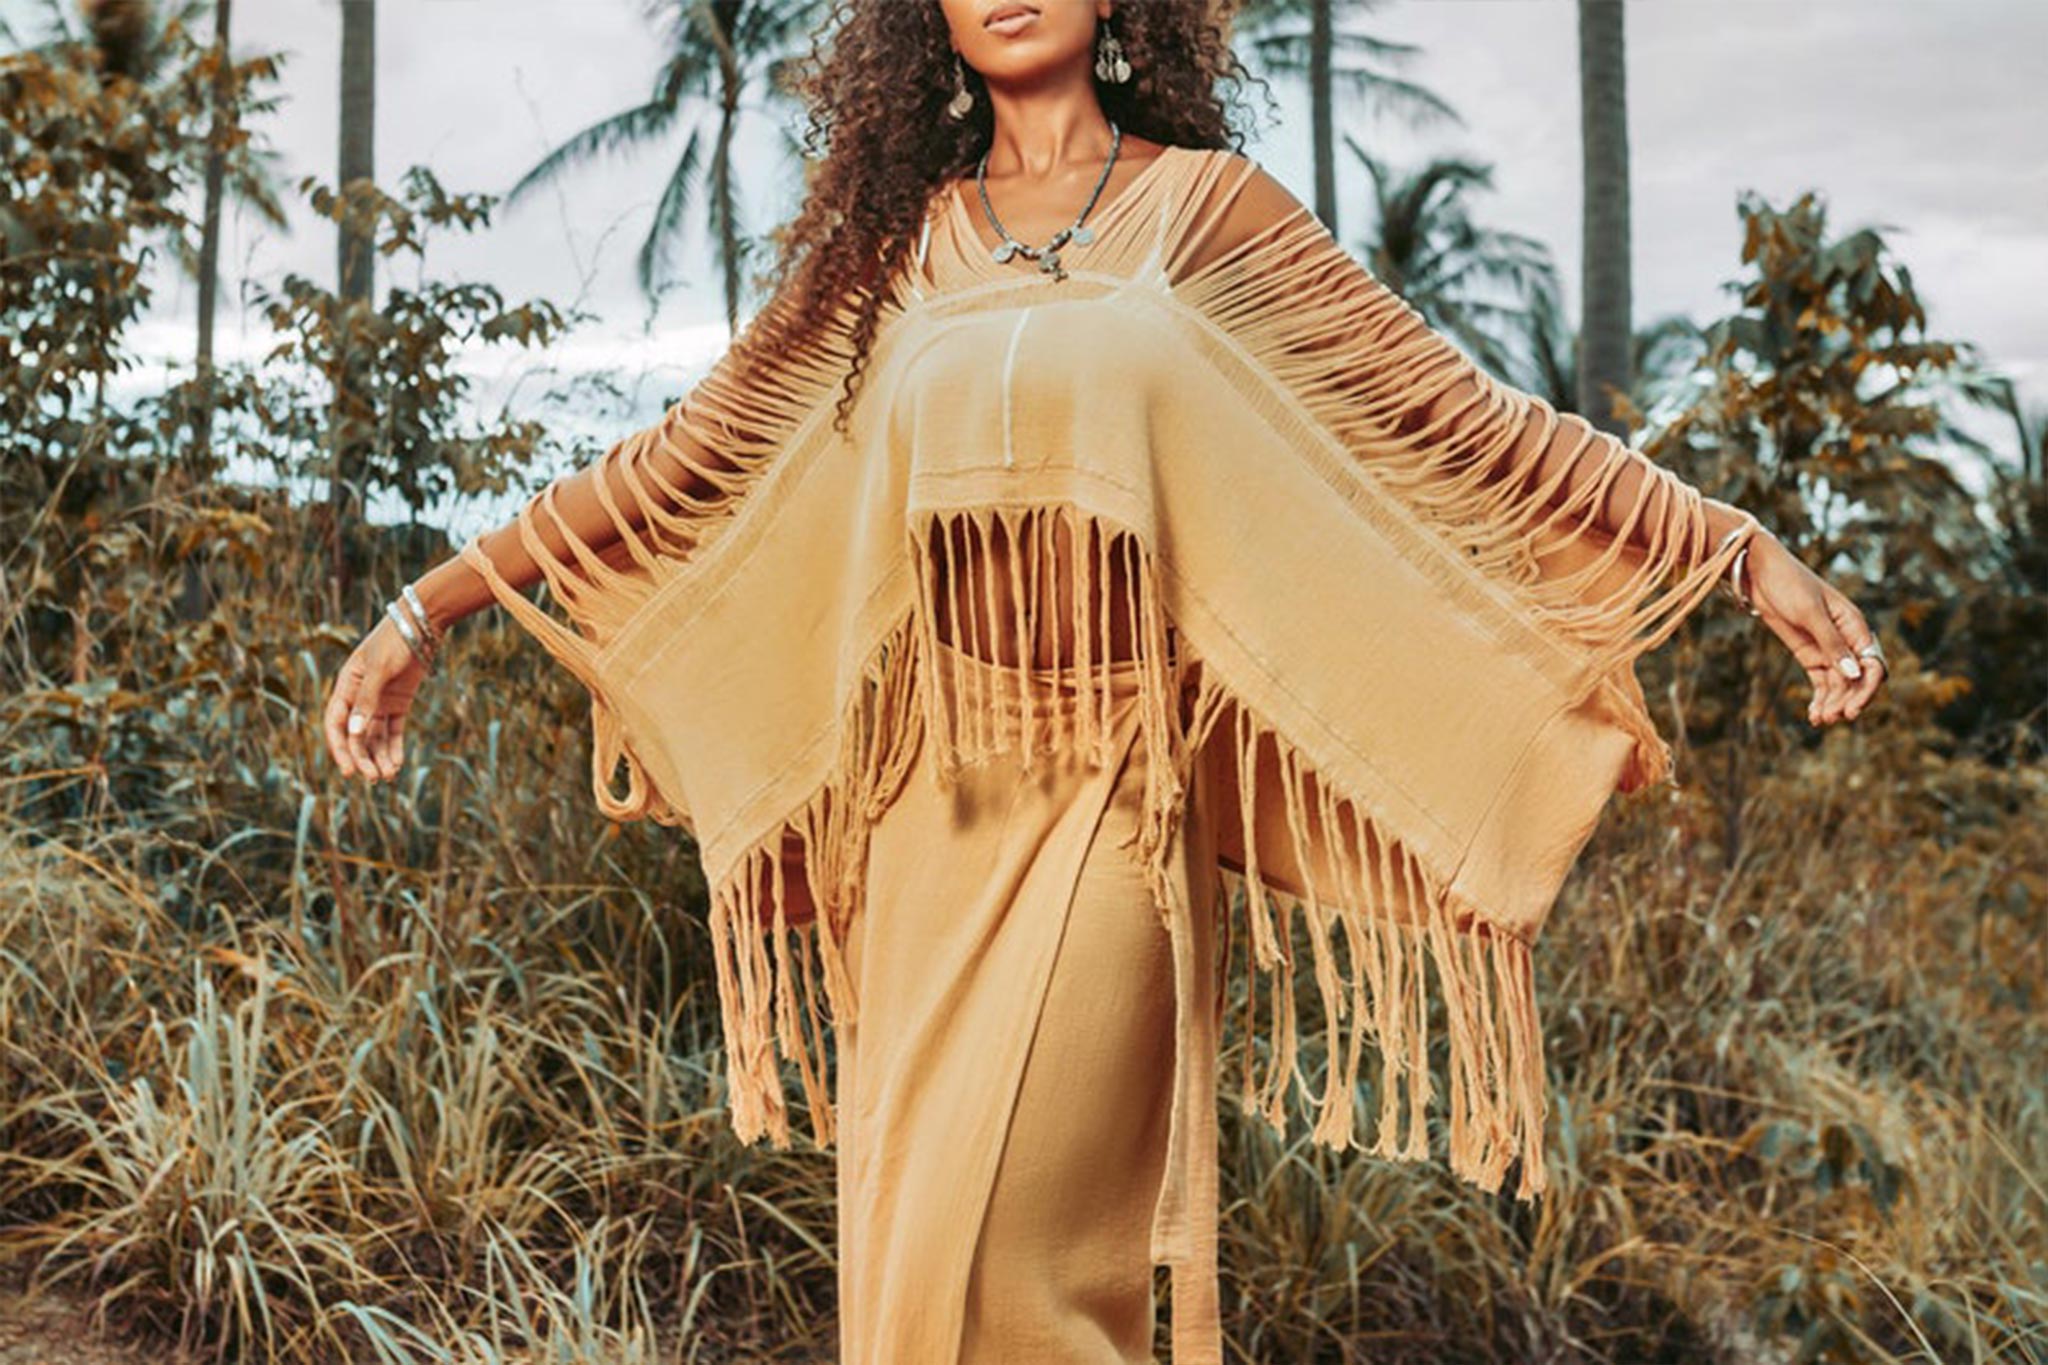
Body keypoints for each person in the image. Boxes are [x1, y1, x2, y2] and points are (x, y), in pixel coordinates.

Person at [321, 2, 1887, 1360]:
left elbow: (1466, 424)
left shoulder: (1208, 217)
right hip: (916, 821)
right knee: (907, 1272)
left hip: (1110, 809)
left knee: (1000, 1254)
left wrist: (1738, 551)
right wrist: (425, 607)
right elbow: (687, 462)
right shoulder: (894, 253)